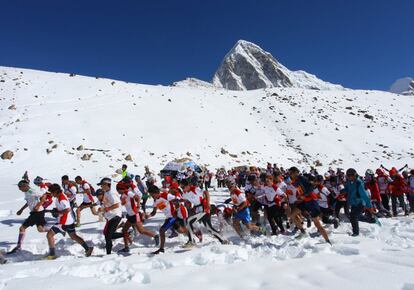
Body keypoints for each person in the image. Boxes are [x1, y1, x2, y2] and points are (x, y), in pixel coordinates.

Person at [45, 184, 93, 259]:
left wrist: (58, 213)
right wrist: (56, 210)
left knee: (49, 235)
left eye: (51, 192)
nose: (51, 194)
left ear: (56, 191)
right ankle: (88, 249)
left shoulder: (62, 198)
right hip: (69, 221)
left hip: (64, 222)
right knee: (74, 236)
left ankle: (52, 254)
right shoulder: (60, 196)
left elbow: (67, 209)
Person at [289, 167, 331, 244]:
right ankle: (302, 232)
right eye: (290, 173)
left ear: (296, 172)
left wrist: (304, 195)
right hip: (304, 202)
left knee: (317, 224)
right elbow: (300, 190)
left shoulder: (302, 178)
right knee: (292, 215)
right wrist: (299, 196)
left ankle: (327, 241)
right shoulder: (294, 181)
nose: (290, 175)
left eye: (291, 173)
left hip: (311, 202)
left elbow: (311, 187)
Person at [180, 180, 227, 246]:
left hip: (204, 208)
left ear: (188, 185)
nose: (182, 189)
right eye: (181, 187)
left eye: (183, 187)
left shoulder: (195, 189)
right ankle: (223, 240)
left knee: (189, 221)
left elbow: (206, 192)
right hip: (197, 209)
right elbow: (185, 201)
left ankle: (191, 241)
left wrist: (207, 203)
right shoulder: (184, 194)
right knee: (209, 228)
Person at [116, 182, 159, 253]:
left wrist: (138, 206)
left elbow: (137, 197)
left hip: (135, 215)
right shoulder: (123, 195)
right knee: (124, 230)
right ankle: (126, 247)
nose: (117, 191)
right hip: (130, 215)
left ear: (121, 189)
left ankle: (155, 236)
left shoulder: (128, 192)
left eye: (118, 190)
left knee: (141, 231)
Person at [8, 180, 47, 254]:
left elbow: (44, 196)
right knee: (41, 229)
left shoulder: (32, 191)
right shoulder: (27, 192)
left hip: (37, 212)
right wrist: (21, 209)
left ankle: (18, 247)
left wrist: (38, 206)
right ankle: (56, 230)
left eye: (20, 187)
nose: (19, 189)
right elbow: (28, 202)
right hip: (38, 212)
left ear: (25, 186)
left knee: (22, 228)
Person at [146, 185, 188, 254]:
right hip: (169, 218)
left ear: (156, 192)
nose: (151, 196)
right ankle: (193, 231)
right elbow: (154, 212)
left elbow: (176, 199)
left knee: (162, 230)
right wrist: (148, 215)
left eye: (152, 194)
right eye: (150, 195)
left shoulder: (165, 195)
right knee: (181, 231)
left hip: (173, 217)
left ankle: (161, 249)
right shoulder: (155, 202)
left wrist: (180, 200)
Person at [341, 168, 373, 237]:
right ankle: (370, 219)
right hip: (353, 202)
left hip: (360, 202)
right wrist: (342, 191)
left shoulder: (359, 183)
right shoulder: (349, 182)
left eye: (351, 176)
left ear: (354, 175)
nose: (349, 177)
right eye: (348, 176)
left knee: (353, 217)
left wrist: (369, 206)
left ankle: (356, 233)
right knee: (355, 216)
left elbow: (365, 195)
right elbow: (347, 189)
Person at [96, 178, 124, 254]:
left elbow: (117, 204)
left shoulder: (112, 193)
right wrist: (102, 209)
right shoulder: (106, 193)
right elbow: (107, 203)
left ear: (106, 184)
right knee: (107, 235)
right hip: (111, 217)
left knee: (109, 236)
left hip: (115, 216)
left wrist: (107, 209)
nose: (101, 187)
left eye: (102, 185)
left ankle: (126, 234)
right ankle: (108, 253)